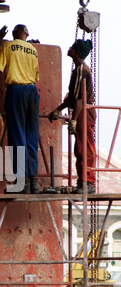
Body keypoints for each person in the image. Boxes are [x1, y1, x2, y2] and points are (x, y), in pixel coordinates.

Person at [0, 24, 40, 194]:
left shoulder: (7, 46)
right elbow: (36, 76)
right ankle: (34, 184)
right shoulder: (33, 50)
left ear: (15, 33)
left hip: (16, 91)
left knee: (17, 137)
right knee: (31, 137)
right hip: (32, 92)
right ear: (27, 34)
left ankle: (21, 184)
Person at [48, 39, 96, 194]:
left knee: (85, 145)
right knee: (79, 147)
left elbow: (81, 99)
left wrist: (74, 120)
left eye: (72, 47)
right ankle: (83, 182)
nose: (69, 48)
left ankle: (88, 181)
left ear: (76, 51)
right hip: (80, 110)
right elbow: (72, 98)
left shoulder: (82, 70)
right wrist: (58, 110)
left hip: (84, 111)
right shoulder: (78, 70)